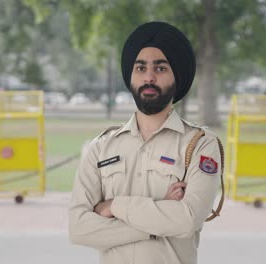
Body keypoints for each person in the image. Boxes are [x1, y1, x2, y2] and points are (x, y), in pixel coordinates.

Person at [69, 21, 222, 264]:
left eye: (160, 69)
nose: (149, 77)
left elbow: (187, 220)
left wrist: (114, 207)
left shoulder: (200, 145)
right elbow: (78, 229)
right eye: (140, 68)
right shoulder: (100, 147)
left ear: (177, 76)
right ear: (131, 76)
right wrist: (153, 223)